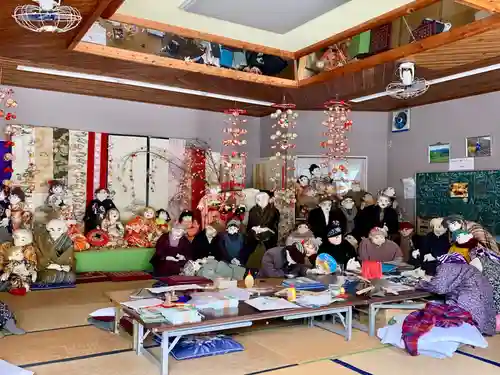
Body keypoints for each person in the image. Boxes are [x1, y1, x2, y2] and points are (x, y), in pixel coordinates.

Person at [418, 253, 496, 335]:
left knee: (437, 314)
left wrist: (421, 283)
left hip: (471, 299)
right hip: (483, 300)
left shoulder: (445, 267)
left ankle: (469, 330)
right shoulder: (464, 268)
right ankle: (480, 329)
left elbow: (438, 287)